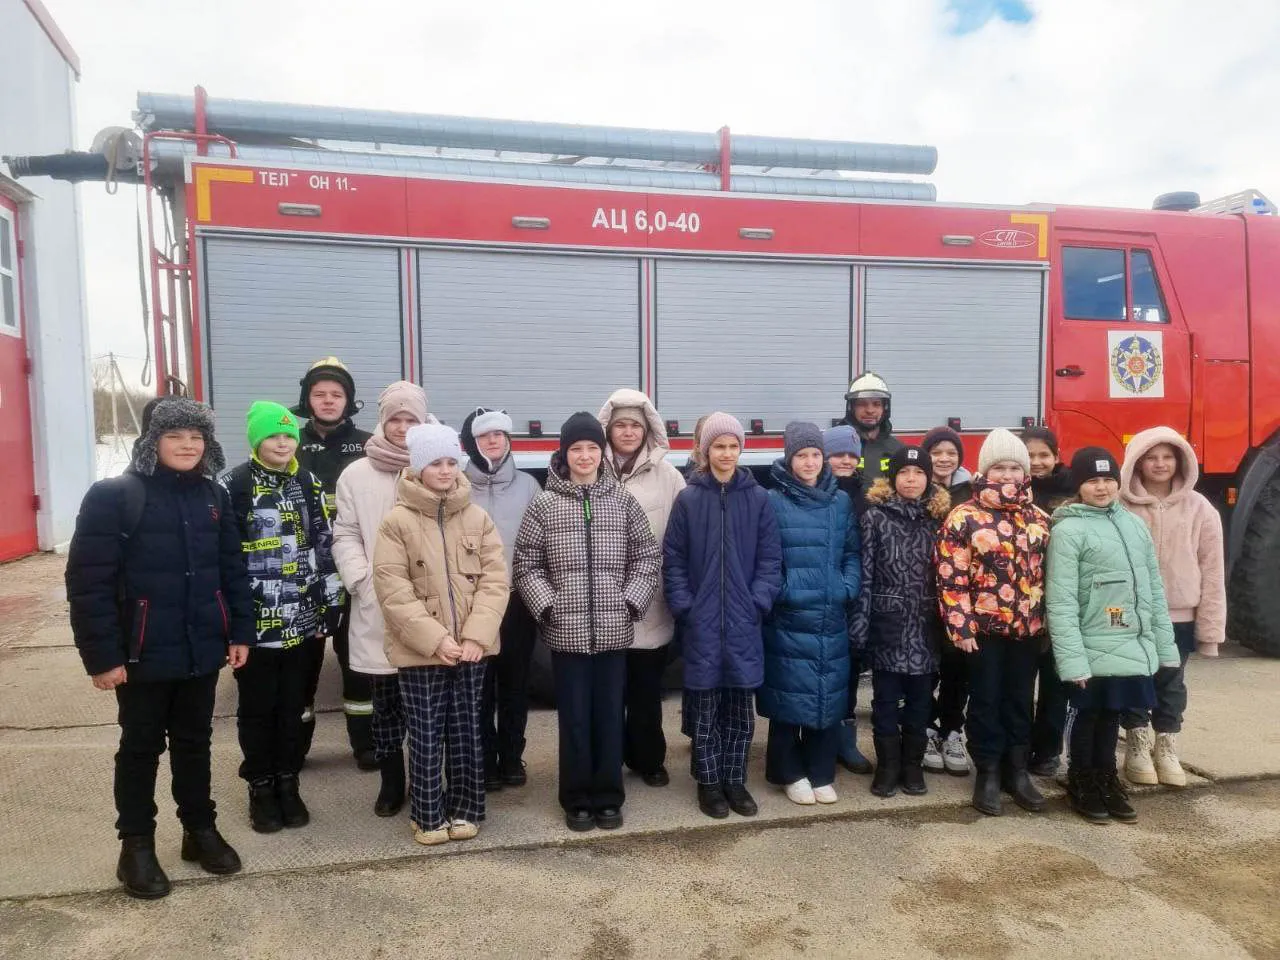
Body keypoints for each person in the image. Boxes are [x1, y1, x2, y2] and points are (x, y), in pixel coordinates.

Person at [66, 397, 253, 899]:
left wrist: (239, 631)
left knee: (194, 742)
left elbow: (232, 569)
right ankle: (136, 845)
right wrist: (103, 657)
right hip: (141, 652)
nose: (188, 445)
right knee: (141, 747)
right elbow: (88, 583)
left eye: (196, 436)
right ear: (152, 441)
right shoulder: (114, 496)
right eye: (175, 435)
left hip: (201, 647)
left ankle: (199, 829)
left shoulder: (213, 495)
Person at [512, 412, 661, 832]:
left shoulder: (622, 500)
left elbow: (647, 556)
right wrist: (549, 606)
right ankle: (577, 798)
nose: (584, 455)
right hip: (567, 634)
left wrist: (630, 602)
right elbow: (526, 564)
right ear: (564, 453)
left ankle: (609, 796)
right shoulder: (545, 504)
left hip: (614, 631)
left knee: (610, 715)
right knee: (575, 718)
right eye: (576, 448)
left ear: (602, 452)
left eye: (592, 447)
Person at [374, 423, 510, 845]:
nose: (446, 470)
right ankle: (428, 813)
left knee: (468, 730)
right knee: (426, 733)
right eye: (436, 462)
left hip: (470, 649)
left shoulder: (477, 517)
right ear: (418, 466)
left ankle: (467, 808)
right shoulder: (396, 522)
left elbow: (495, 579)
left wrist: (476, 636)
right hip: (421, 650)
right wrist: (435, 639)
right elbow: (393, 588)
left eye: (452, 461)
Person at [221, 401, 341, 834]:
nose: (283, 442)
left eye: (289, 435)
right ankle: (261, 786)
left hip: (302, 621)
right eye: (273, 435)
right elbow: (224, 560)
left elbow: (324, 542)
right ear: (256, 440)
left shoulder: (307, 482)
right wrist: (232, 623)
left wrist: (331, 602)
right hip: (255, 625)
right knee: (257, 709)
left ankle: (288, 782)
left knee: (293, 707)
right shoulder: (233, 485)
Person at [1047, 448, 1180, 823]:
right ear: (1079, 486)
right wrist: (1072, 660)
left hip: (1126, 642)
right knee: (1086, 714)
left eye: (1108, 479)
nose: (1102, 487)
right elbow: (1061, 599)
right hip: (1089, 645)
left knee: (1111, 714)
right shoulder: (1068, 530)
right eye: (1092, 480)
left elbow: (1152, 590)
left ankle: (1106, 777)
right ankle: (1081, 778)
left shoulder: (1134, 525)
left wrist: (1163, 646)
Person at [664, 412, 782, 819]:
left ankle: (735, 780)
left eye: (733, 446)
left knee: (739, 711)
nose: (727, 454)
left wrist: (758, 601)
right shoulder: (689, 499)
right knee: (705, 710)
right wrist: (686, 606)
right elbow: (674, 559)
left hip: (744, 622)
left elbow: (770, 559)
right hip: (702, 624)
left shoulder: (758, 498)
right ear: (705, 450)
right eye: (719, 446)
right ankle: (709, 782)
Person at [936, 428, 1051, 817]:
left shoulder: (1040, 519)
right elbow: (951, 576)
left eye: (1014, 468)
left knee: (1019, 699)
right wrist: (961, 625)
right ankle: (987, 770)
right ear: (985, 471)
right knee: (985, 699)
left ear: (1025, 472)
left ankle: (1016, 770)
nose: (1007, 475)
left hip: (1028, 630)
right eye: (999, 467)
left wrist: (1048, 623)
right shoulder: (964, 517)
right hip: (983, 632)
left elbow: (1051, 576)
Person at [331, 382, 430, 819]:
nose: (403, 428)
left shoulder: (435, 467)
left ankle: (428, 781)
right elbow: (346, 532)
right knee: (386, 705)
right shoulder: (356, 474)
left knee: (426, 706)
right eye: (395, 419)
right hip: (379, 605)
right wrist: (360, 579)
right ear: (382, 422)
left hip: (428, 606)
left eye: (411, 420)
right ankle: (392, 782)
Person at [761, 422, 861, 806]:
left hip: (831, 612)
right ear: (789, 459)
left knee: (828, 695)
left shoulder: (840, 502)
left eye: (815, 454)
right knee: (789, 696)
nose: (809, 462)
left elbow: (851, 553)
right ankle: (788, 772)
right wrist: (784, 590)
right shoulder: (772, 500)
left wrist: (846, 587)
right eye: (801, 455)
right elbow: (765, 557)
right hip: (790, 614)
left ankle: (821, 772)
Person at [1119, 427, 1225, 787]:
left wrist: (1210, 629)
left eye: (1167, 456)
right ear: (1137, 462)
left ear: (1180, 461)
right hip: (1131, 612)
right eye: (1151, 457)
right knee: (1134, 677)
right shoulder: (1120, 506)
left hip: (1177, 614)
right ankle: (1136, 742)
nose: (1160, 464)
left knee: (1171, 680)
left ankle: (1166, 745)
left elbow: (1212, 569)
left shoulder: (1200, 508)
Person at [595, 389, 686, 788]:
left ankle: (648, 759)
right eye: (621, 425)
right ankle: (609, 757)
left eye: (635, 425)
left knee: (646, 689)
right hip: (602, 601)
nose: (628, 432)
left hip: (651, 600)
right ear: (608, 430)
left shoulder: (669, 476)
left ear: (647, 429)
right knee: (608, 692)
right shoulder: (591, 469)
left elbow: (681, 537)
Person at [851, 446, 951, 798]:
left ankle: (912, 766)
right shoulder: (875, 517)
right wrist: (861, 624)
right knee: (884, 702)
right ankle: (887, 767)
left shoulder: (940, 519)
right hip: (888, 625)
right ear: (892, 478)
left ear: (928, 478)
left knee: (921, 703)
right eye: (904, 473)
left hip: (925, 626)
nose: (911, 479)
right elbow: (865, 574)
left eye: (919, 473)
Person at [291, 357, 376, 770]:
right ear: (307, 399)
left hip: (353, 571)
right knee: (302, 666)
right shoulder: (287, 442)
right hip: (303, 576)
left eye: (337, 394)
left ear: (349, 400)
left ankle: (367, 744)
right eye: (319, 394)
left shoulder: (368, 444)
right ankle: (295, 747)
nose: (328, 401)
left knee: (358, 662)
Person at [461, 406, 541, 790]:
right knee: (478, 687)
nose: (493, 441)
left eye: (499, 434)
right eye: (484, 435)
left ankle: (511, 757)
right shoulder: (458, 485)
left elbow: (541, 543)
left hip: (516, 601)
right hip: (472, 605)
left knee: (514, 684)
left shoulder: (528, 486)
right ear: (471, 442)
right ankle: (484, 759)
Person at [1021, 426, 1076, 778]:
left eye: (1044, 455)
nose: (1037, 462)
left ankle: (1047, 750)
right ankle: (1020, 744)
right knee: (1021, 682)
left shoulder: (1074, 492)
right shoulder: (1012, 490)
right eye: (1030, 455)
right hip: (1022, 602)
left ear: (1057, 456)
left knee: (1056, 682)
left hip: (1062, 600)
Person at [920, 425, 974, 777]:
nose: (943, 458)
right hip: (924, 593)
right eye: (936, 452)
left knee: (958, 668)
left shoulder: (972, 492)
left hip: (962, 596)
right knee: (926, 667)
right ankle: (926, 728)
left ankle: (952, 731)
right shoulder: (916, 488)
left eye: (951, 453)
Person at [824, 424, 873, 776]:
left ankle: (846, 741)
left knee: (851, 670)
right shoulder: (814, 492)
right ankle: (817, 740)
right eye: (838, 454)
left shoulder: (868, 497)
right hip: (819, 596)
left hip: (855, 597)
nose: (845, 460)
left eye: (851, 455)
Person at [841, 372, 904, 480]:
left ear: (885, 408)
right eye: (862, 404)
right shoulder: (837, 446)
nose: (870, 410)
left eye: (876, 404)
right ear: (851, 408)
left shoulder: (898, 449)